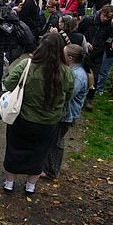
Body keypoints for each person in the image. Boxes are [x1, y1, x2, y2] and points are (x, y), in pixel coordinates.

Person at [2, 33, 74, 195]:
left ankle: (9, 182)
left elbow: (8, 83)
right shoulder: (67, 73)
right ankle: (30, 186)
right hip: (49, 122)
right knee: (40, 152)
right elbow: (68, 96)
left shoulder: (27, 65)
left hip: (22, 118)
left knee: (14, 148)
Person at [42, 44, 88, 179]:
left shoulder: (77, 76)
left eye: (63, 53)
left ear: (70, 58)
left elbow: (67, 95)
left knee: (56, 142)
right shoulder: (73, 70)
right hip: (64, 113)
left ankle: (51, 171)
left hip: (66, 115)